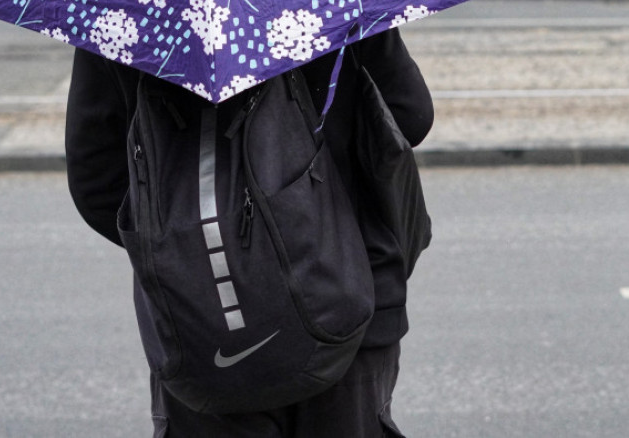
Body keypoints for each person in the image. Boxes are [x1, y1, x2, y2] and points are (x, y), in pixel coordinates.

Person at [65, 28, 433, 438]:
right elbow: (409, 115)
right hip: (353, 299)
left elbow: (96, 180)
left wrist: (191, 252)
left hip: (202, 320)